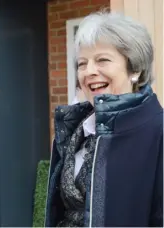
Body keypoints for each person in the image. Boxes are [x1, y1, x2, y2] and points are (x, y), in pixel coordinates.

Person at [45, 10, 163, 227]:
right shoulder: (74, 130)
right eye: (82, 63)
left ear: (135, 69)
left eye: (103, 60)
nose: (89, 71)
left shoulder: (158, 132)